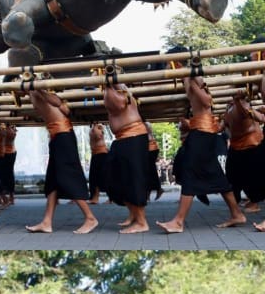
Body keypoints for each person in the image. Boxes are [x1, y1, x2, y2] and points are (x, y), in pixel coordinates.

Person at [159, 66, 247, 232]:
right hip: (199, 133)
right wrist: (185, 75)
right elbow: (189, 89)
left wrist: (193, 81)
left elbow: (207, 102)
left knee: (190, 172)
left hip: (203, 134)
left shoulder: (201, 87)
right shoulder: (191, 83)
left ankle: (178, 221)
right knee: (216, 175)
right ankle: (237, 214)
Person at [25, 86, 97, 233]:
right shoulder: (31, 93)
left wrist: (40, 90)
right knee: (52, 181)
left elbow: (59, 104)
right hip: (56, 137)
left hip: (63, 135)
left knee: (68, 176)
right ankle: (47, 222)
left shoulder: (40, 90)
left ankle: (90, 218)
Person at [102, 78, 153, 232]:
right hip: (123, 139)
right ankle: (133, 215)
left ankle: (142, 222)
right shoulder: (115, 88)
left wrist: (106, 85)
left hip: (133, 137)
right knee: (115, 180)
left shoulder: (120, 89)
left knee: (133, 180)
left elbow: (119, 104)